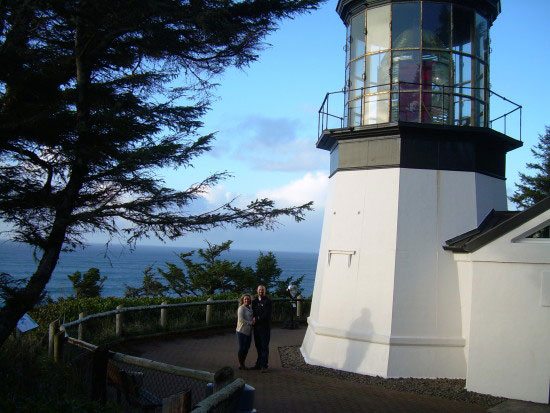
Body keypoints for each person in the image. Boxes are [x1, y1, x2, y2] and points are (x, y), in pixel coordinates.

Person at [251, 285, 272, 372]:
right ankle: (258, 364)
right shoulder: (255, 301)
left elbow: (267, 314)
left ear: (265, 291)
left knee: (264, 346)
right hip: (256, 328)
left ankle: (264, 365)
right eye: (259, 290)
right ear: (257, 291)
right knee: (258, 346)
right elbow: (252, 312)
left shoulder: (268, 301)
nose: (261, 291)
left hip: (265, 328)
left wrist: (257, 318)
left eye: (262, 290)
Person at [236, 294, 254, 370]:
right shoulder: (241, 308)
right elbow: (241, 320)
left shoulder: (250, 308)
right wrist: (251, 323)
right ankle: (241, 364)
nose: (246, 300)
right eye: (245, 299)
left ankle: (243, 363)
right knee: (242, 348)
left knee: (246, 348)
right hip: (241, 331)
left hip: (249, 332)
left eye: (248, 299)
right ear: (243, 300)